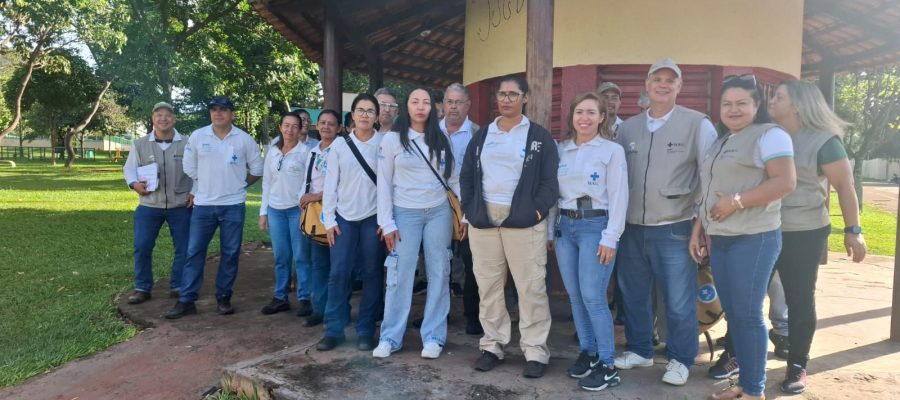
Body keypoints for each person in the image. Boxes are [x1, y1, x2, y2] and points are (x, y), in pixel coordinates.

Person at [690, 74, 797, 400]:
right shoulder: (723, 140)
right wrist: (698, 230)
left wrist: (735, 202)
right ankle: (746, 383)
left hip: (754, 237)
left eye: (741, 103)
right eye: (727, 104)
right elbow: (710, 190)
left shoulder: (770, 135)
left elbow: (785, 182)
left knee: (748, 315)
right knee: (735, 315)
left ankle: (754, 390)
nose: (733, 109)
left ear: (756, 105)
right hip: (721, 238)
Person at [613, 58, 718, 386]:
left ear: (679, 86)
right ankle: (640, 350)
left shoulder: (698, 124)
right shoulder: (627, 128)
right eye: (656, 79)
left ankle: (681, 358)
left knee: (678, 299)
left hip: (675, 225)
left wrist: (701, 227)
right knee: (634, 295)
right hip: (631, 227)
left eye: (669, 80)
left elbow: (710, 177)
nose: (662, 84)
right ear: (646, 84)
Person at [767, 79, 867, 394]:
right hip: (761, 227)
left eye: (779, 97)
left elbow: (845, 187)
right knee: (747, 295)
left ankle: (797, 364)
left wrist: (853, 231)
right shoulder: (767, 134)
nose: (772, 101)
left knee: (798, 298)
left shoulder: (824, 141)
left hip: (803, 231)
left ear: (798, 105)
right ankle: (735, 353)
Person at [460, 74, 559, 379]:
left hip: (525, 221)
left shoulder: (539, 137)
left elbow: (550, 183)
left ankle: (535, 350)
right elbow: (466, 177)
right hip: (485, 220)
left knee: (531, 288)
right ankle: (492, 345)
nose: (506, 99)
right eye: (502, 94)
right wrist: (471, 210)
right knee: (489, 287)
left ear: (524, 98)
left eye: (513, 94)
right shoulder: (482, 136)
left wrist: (534, 212)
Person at [549, 92, 628, 391]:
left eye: (591, 112)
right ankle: (589, 352)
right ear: (572, 116)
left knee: (593, 296)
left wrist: (611, 237)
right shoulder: (562, 150)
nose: (584, 118)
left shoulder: (611, 151)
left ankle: (608, 365)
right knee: (575, 295)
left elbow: (619, 196)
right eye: (579, 112)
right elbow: (555, 195)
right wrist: (550, 232)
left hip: (596, 227)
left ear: (602, 117)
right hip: (565, 226)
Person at [374, 88, 456, 359]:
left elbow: (452, 178)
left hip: (438, 213)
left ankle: (434, 336)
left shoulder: (441, 138)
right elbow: (383, 183)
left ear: (433, 108)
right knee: (399, 275)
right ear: (406, 106)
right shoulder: (392, 140)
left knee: (439, 273)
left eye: (426, 102)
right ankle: (390, 337)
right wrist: (386, 223)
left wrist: (464, 213)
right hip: (404, 214)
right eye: (415, 102)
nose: (420, 107)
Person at [166, 96, 264, 319]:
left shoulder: (244, 139)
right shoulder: (198, 136)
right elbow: (189, 166)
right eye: (214, 109)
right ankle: (187, 300)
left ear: (232, 114)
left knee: (230, 253)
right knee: (194, 252)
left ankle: (224, 297)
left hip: (233, 205)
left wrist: (239, 184)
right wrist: (206, 182)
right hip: (204, 205)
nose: (218, 113)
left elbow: (257, 169)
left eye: (223, 109)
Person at [316, 94, 385, 351]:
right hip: (343, 219)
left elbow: (390, 185)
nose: (365, 115)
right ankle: (333, 330)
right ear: (353, 115)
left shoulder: (384, 144)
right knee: (338, 274)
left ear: (376, 117)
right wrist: (329, 221)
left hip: (373, 219)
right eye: (360, 110)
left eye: (370, 111)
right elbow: (330, 185)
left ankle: (366, 329)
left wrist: (386, 220)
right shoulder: (339, 146)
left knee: (372, 273)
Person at [123, 102, 193, 304]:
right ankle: (142, 288)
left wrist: (195, 192)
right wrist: (133, 184)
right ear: (153, 119)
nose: (163, 118)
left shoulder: (187, 143)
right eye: (159, 115)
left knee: (184, 247)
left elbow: (197, 170)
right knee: (142, 246)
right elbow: (129, 169)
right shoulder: (140, 144)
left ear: (174, 119)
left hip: (181, 205)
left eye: (168, 115)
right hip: (149, 205)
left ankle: (178, 285)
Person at [257, 111, 311, 315]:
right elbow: (267, 183)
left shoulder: (305, 152)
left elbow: (309, 183)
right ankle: (280, 296)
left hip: (297, 210)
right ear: (280, 127)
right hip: (275, 211)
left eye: (295, 126)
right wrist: (263, 212)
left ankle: (305, 298)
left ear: (300, 129)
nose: (290, 130)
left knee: (301, 256)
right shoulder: (273, 152)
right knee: (281, 256)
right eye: (286, 125)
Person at [440, 82, 482, 335]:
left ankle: (472, 315)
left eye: (458, 102)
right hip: (436, 204)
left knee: (471, 261)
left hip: (469, 205)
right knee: (438, 261)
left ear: (468, 105)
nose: (453, 107)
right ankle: (438, 314)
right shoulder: (431, 132)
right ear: (443, 104)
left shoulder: (479, 134)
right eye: (449, 101)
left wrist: (469, 213)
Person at [300, 109, 341, 327]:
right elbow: (308, 181)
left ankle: (337, 309)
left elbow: (343, 183)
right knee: (318, 263)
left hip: (338, 212)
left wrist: (316, 196)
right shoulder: (313, 151)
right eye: (323, 122)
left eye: (331, 123)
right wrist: (305, 200)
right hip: (316, 214)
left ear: (339, 128)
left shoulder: (342, 149)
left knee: (338, 266)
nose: (326, 127)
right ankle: (320, 309)